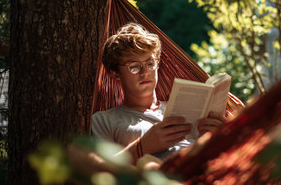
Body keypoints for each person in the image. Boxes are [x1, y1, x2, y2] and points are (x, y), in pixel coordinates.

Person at [91, 22, 226, 164]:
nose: (145, 73)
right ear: (115, 75)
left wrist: (222, 136)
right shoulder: (104, 120)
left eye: (150, 64)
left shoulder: (182, 109)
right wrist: (141, 148)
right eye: (135, 67)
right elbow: (99, 173)